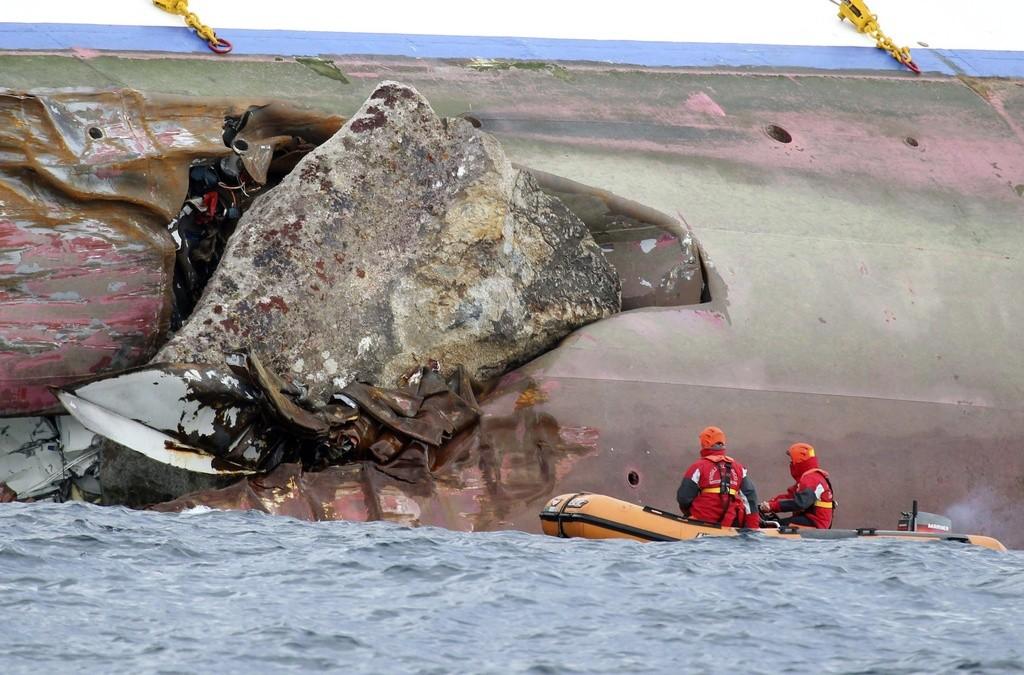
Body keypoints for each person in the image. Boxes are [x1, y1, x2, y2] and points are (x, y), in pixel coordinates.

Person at [677, 426, 760, 528]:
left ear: (704, 443)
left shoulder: (698, 467)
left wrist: (689, 514)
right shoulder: (739, 468)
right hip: (730, 524)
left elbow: (684, 498)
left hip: (701, 522)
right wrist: (753, 528)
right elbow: (750, 496)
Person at [759, 442, 834, 529]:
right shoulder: (811, 477)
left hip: (815, 524)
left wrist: (772, 506)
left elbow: (801, 503)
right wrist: (769, 504)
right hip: (811, 520)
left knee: (772, 526)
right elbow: (790, 497)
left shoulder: (812, 479)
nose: (790, 464)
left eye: (792, 461)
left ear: (799, 461)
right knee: (772, 523)